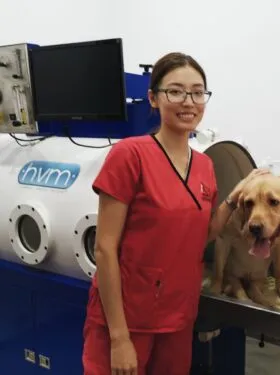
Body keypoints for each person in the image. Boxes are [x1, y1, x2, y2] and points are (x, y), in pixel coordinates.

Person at [82, 52, 267, 375]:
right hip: (128, 317)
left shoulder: (205, 166)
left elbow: (202, 235)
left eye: (198, 92)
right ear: (153, 98)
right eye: (176, 91)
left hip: (177, 318)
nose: (189, 101)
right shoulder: (129, 155)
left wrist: (235, 197)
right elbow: (104, 248)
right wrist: (119, 338)